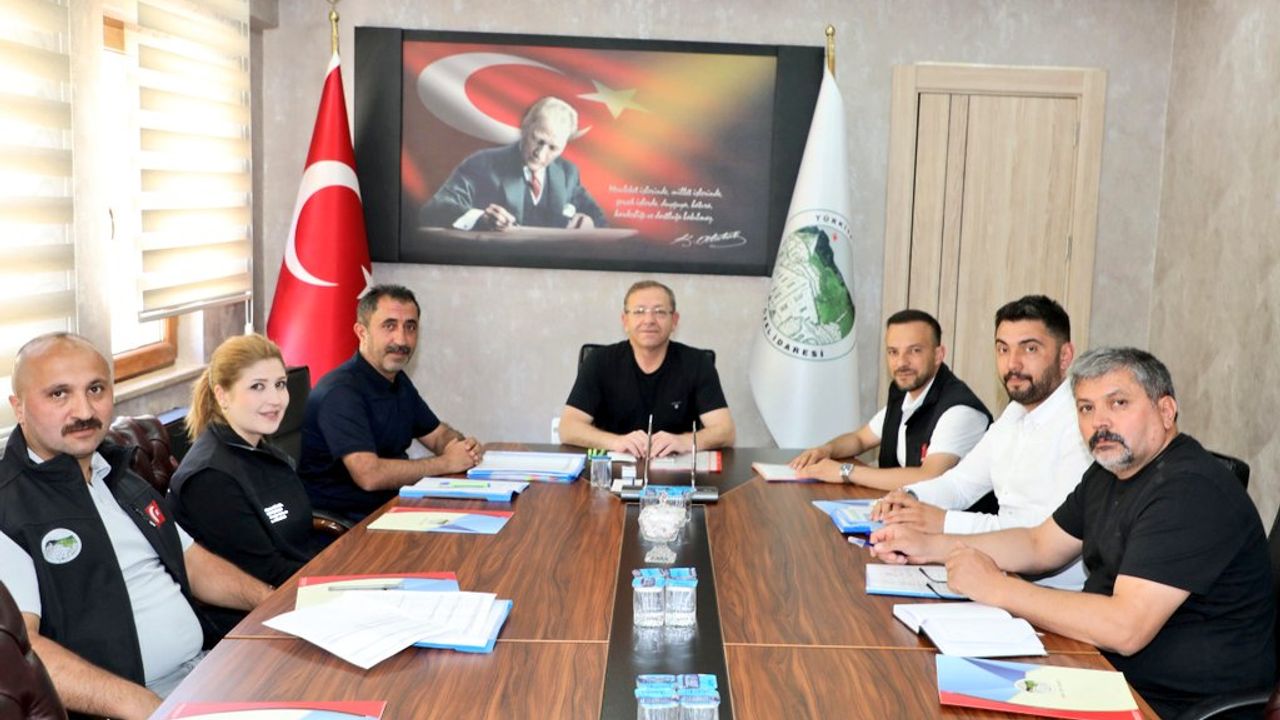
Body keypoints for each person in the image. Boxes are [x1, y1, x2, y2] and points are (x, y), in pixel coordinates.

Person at [870, 347, 1275, 718]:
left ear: (1166, 411)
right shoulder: (1109, 472)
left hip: (1166, 703)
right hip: (1099, 669)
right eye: (1086, 408)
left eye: (1118, 403)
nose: (1100, 422)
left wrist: (998, 588)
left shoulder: (1189, 491)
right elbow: (1038, 544)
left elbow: (1126, 628)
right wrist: (932, 547)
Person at [0, 333, 272, 719]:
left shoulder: (119, 475)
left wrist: (273, 604)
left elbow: (192, 562)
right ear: (19, 407)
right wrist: (145, 706)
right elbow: (22, 649)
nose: (83, 410)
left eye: (96, 389)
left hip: (206, 670)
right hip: (136, 706)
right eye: (59, 394)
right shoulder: (9, 509)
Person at [871, 296, 1091, 587]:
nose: (1012, 363)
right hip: (998, 574)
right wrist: (909, 498)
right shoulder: (1014, 413)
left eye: (1030, 348)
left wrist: (942, 522)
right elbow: (960, 483)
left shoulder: (1083, 425)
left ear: (1064, 356)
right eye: (1003, 349)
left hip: (1049, 593)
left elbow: (1039, 537)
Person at [299, 284, 482, 520]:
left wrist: (461, 447)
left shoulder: (397, 381)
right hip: (348, 524)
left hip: (395, 506)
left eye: (410, 327)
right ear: (362, 332)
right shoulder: (340, 392)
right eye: (389, 326)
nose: (401, 339)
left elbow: (437, 435)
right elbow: (369, 475)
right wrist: (446, 463)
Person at [169, 334, 317, 592]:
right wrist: (338, 578)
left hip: (303, 581)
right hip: (263, 605)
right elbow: (265, 572)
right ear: (222, 395)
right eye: (257, 387)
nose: (275, 399)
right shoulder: (210, 478)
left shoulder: (261, 449)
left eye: (280, 384)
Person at [789, 309, 991, 489]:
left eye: (914, 351)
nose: (901, 362)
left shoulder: (960, 411)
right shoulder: (905, 393)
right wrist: (826, 450)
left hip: (954, 518)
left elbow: (928, 477)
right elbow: (861, 439)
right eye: (893, 352)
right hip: (904, 510)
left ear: (938, 355)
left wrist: (846, 472)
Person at [559, 280, 735, 457]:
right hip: (613, 468)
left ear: (674, 321)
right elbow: (568, 428)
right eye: (639, 311)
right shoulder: (599, 361)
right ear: (625, 321)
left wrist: (684, 441)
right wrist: (616, 442)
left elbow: (725, 432)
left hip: (677, 468)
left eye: (659, 312)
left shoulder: (697, 363)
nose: (649, 320)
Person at [420, 96, 607, 231]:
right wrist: (481, 218)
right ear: (525, 127)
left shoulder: (567, 173)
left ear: (564, 146)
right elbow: (435, 209)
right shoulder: (482, 164)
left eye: (553, 148)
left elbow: (599, 219)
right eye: (538, 140)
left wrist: (589, 223)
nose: (540, 154)